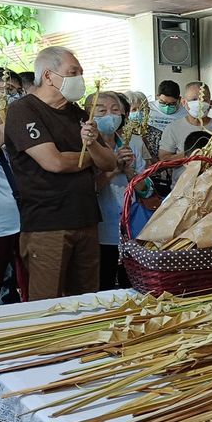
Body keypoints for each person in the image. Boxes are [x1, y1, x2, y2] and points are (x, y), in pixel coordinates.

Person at [4, 46, 117, 300]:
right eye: (72, 72)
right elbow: (53, 162)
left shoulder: (78, 113)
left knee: (87, 299)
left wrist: (91, 148)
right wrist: (90, 158)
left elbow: (109, 162)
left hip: (86, 218)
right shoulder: (24, 111)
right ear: (48, 75)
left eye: (81, 73)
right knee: (48, 301)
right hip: (48, 223)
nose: (79, 79)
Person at [89, 91, 151, 290]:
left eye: (115, 111)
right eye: (102, 111)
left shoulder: (132, 142)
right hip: (98, 229)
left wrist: (130, 172)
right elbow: (86, 190)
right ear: (89, 115)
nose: (110, 115)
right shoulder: (85, 146)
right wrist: (114, 168)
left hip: (130, 227)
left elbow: (146, 190)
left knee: (131, 285)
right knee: (103, 284)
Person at [159, 82, 212, 185]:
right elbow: (164, 160)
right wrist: (190, 154)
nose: (199, 103)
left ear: (211, 104)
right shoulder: (173, 128)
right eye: (194, 99)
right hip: (181, 189)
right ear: (184, 102)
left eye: (204, 100)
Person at [0, 69, 23, 303]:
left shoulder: (15, 127)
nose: (11, 96)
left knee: (14, 290)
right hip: (0, 225)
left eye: (15, 91)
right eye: (5, 91)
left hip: (18, 221)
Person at [144, 79, 185, 197]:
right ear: (157, 96)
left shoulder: (185, 114)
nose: (167, 107)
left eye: (171, 104)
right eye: (163, 102)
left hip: (173, 159)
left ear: (179, 99)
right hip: (150, 158)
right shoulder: (148, 109)